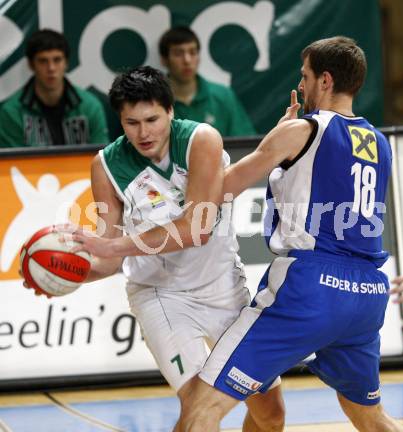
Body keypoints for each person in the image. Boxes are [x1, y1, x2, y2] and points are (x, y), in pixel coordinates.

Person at [176, 36, 403, 431]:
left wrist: (174, 202)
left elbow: (224, 189)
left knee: (205, 402)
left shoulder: (302, 130)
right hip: (368, 294)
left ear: (326, 81)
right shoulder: (380, 142)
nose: (301, 86)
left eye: (305, 76)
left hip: (311, 286)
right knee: (368, 416)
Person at [47, 66, 284, 432]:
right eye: (131, 122)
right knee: (197, 404)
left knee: (270, 412)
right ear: (120, 121)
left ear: (171, 111)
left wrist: (112, 244)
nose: (143, 132)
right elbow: (108, 261)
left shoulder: (201, 140)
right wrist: (66, 273)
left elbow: (197, 230)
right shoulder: (106, 166)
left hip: (224, 287)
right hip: (161, 295)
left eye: (152, 119)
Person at [0, 29, 109, 147]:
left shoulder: (90, 107)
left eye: (57, 60)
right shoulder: (12, 112)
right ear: (31, 65)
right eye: (43, 61)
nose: (51, 68)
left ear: (66, 63)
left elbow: (101, 159)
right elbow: (12, 164)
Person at [158, 26, 256, 137]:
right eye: (178, 53)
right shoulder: (155, 100)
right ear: (164, 60)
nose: (187, 60)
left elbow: (245, 143)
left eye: (193, 52)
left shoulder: (224, 97)